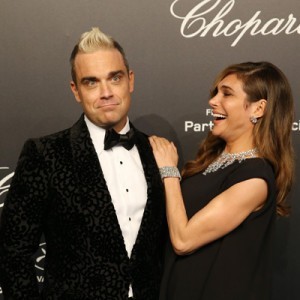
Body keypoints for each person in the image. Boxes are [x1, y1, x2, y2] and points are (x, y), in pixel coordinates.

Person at [0, 27, 166, 300]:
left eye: (115, 78)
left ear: (130, 80)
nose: (106, 92)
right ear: (76, 90)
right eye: (91, 82)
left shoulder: (156, 152)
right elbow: (13, 252)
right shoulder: (45, 154)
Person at [149, 61, 294, 300]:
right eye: (215, 92)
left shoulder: (255, 178)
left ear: (258, 109)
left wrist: (169, 171)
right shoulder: (213, 160)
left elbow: (184, 240)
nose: (213, 101)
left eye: (226, 93)